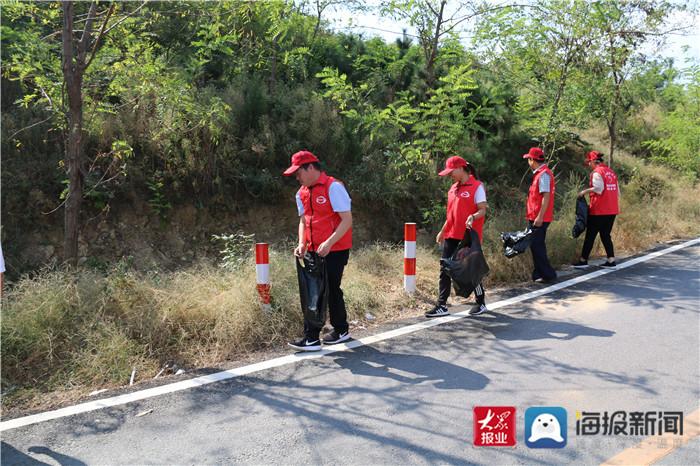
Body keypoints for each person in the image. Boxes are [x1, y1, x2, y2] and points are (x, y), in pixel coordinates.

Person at [283, 150, 353, 351]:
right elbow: (304, 220)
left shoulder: (333, 187)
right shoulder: (301, 192)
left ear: (311, 167)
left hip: (335, 249)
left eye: (299, 173)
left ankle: (338, 330)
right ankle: (313, 336)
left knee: (330, 289)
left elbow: (346, 220)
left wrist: (330, 243)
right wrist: (301, 243)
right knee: (314, 291)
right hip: (313, 249)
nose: (297, 177)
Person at [425, 156, 489, 318]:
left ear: (461, 168)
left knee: (471, 271)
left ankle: (480, 302)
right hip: (452, 235)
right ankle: (441, 305)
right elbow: (451, 215)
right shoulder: (453, 189)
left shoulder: (477, 187)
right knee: (445, 269)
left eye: (451, 172)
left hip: (468, 238)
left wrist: (473, 217)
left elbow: (482, 209)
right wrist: (442, 231)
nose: (449, 175)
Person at [572, 150, 620, 268]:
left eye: (589, 162)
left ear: (594, 161)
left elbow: (599, 189)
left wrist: (584, 191)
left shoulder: (597, 172)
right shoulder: (611, 172)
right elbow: (617, 192)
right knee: (605, 234)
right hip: (612, 210)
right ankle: (611, 259)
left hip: (599, 210)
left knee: (590, 235)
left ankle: (583, 260)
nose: (589, 164)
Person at [523, 147, 557, 282]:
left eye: (528, 159)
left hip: (539, 217)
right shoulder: (540, 173)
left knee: (537, 246)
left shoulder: (543, 174)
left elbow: (546, 196)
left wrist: (540, 217)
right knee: (536, 245)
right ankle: (539, 274)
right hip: (536, 216)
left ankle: (548, 274)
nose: (528, 162)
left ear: (533, 160)